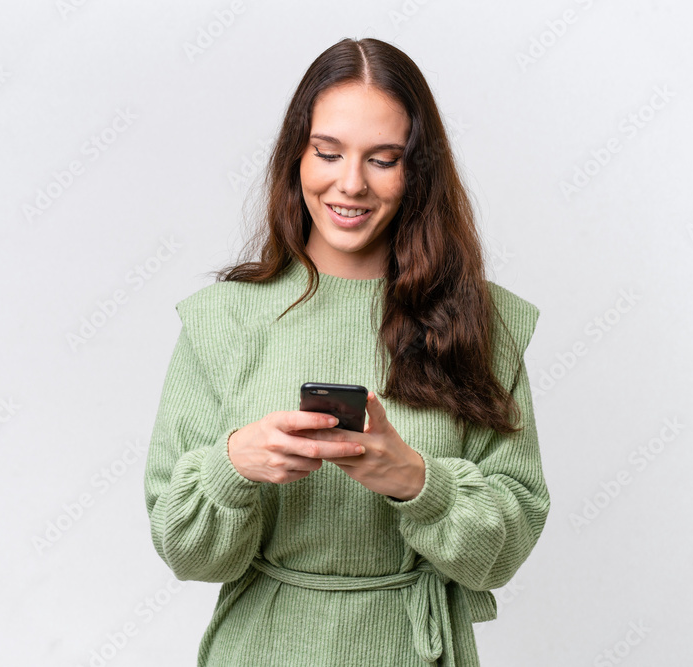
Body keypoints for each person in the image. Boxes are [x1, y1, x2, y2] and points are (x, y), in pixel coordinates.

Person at [143, 37, 551, 667]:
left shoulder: (482, 322)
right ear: (295, 158)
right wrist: (233, 465)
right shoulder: (222, 320)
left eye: (383, 159)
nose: (351, 184)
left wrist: (417, 482)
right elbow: (184, 551)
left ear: (418, 170)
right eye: (328, 153)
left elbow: (507, 546)